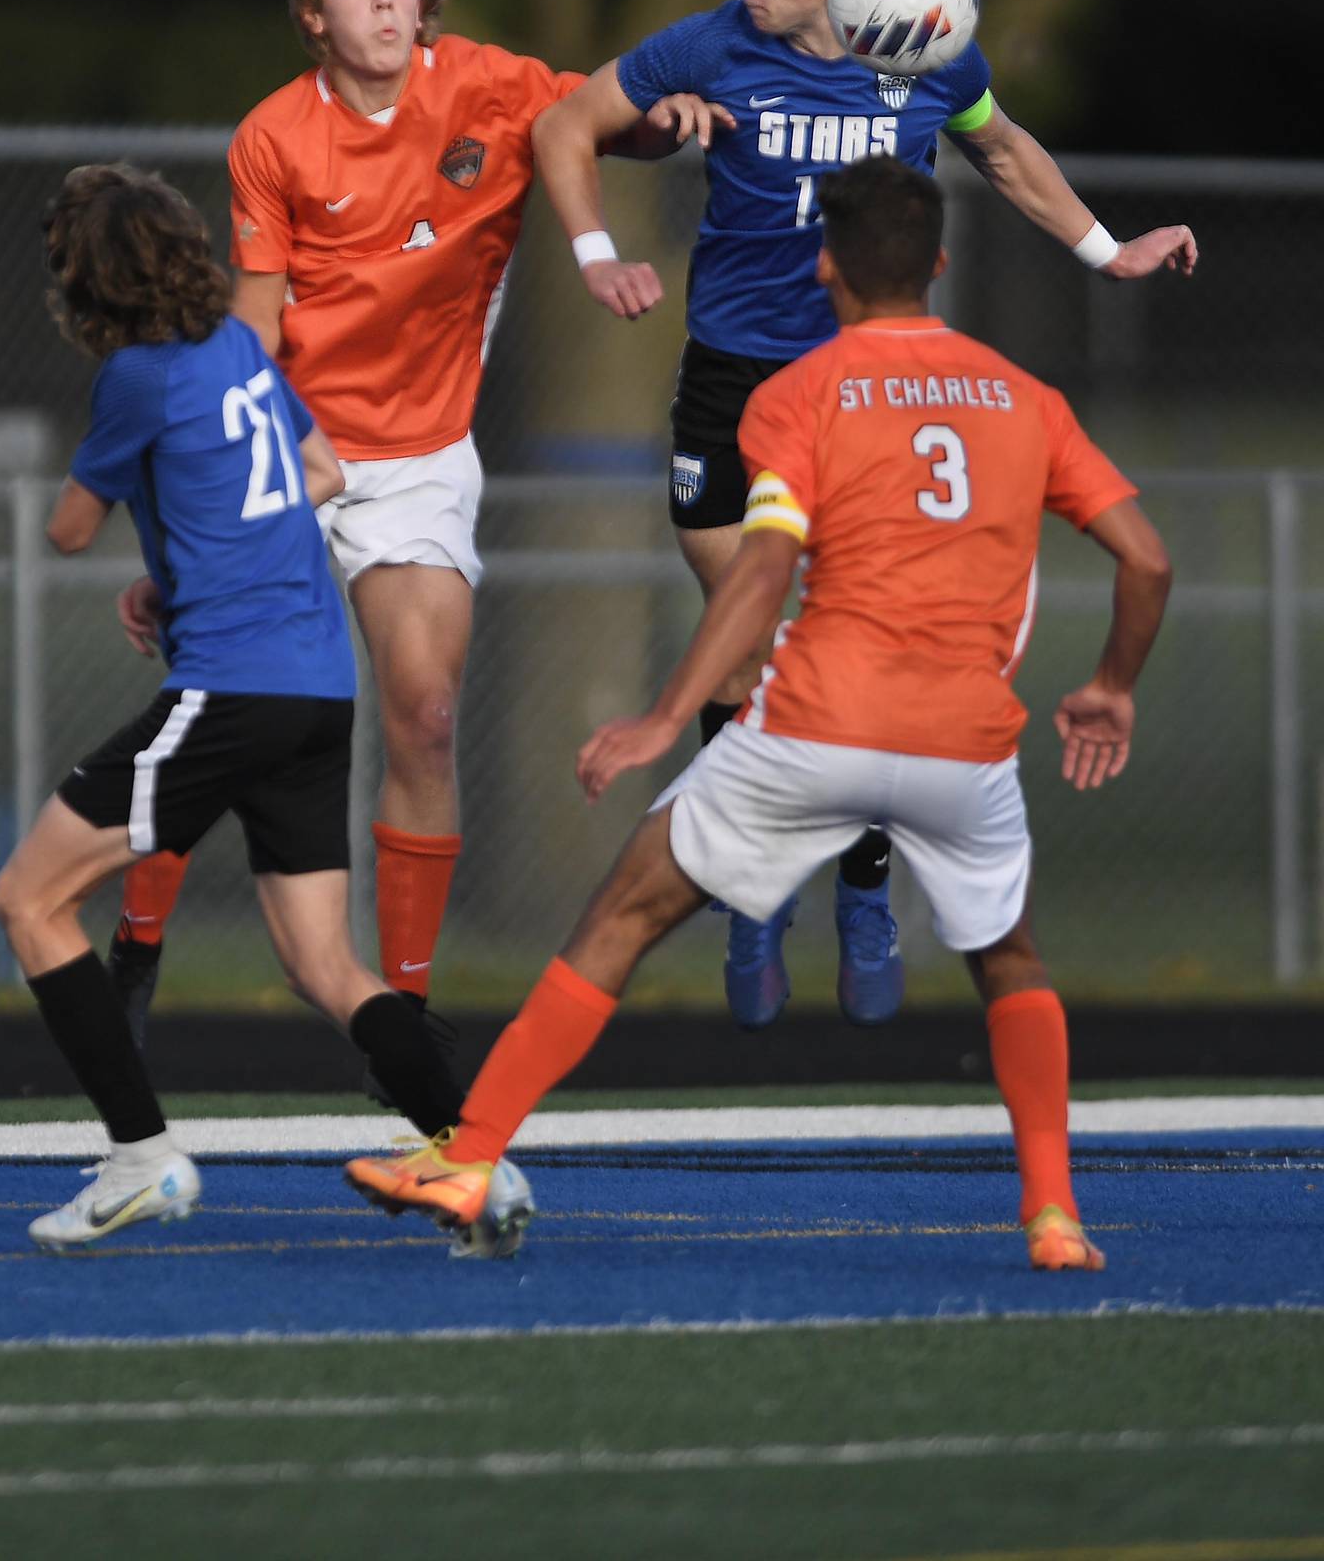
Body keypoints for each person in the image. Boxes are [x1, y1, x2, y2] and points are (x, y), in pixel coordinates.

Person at [343, 155, 1174, 1274]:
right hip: (962, 748)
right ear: (935, 262)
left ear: (826, 266)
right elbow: (1148, 558)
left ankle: (468, 1153)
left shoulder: (799, 393)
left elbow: (760, 570)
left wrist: (665, 712)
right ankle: (1055, 1214)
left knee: (622, 914)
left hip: (813, 731)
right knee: (1011, 959)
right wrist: (1111, 684)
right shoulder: (1028, 399)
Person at [530, 0, 1195, 1033]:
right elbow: (566, 124)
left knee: (867, 650)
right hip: (732, 388)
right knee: (743, 648)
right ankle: (752, 884)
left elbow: (1003, 151)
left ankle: (868, 885)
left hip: (871, 396)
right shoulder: (710, 46)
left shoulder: (925, 45)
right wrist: (597, 254)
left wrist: (1110, 248)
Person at [107, 0, 704, 1045]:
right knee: (224, 706)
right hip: (296, 438)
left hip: (424, 455)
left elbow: (592, 121)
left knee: (425, 712)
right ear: (312, 14)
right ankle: (138, 935)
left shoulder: (489, 86)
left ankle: (407, 1010)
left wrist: (663, 121)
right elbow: (256, 328)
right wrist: (234, 481)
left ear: (423, 4)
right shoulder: (274, 139)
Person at [0, 162, 530, 1255]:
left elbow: (67, 530)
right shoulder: (239, 346)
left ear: (91, 283)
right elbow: (321, 471)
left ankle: (140, 1157)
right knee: (324, 964)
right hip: (317, 687)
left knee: (27, 897)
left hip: (230, 686)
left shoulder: (135, 377)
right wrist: (183, 569)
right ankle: (478, 1157)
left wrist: (158, 552)